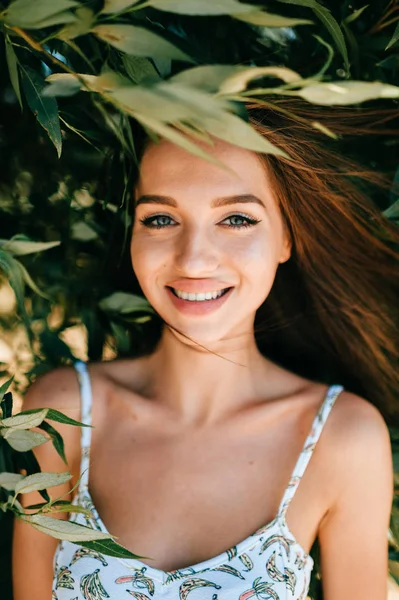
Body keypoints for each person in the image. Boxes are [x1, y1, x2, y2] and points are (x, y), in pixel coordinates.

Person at [12, 100, 397, 600]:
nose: (193, 258)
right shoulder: (62, 413)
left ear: (286, 237)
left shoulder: (343, 440)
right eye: (160, 219)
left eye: (236, 219)